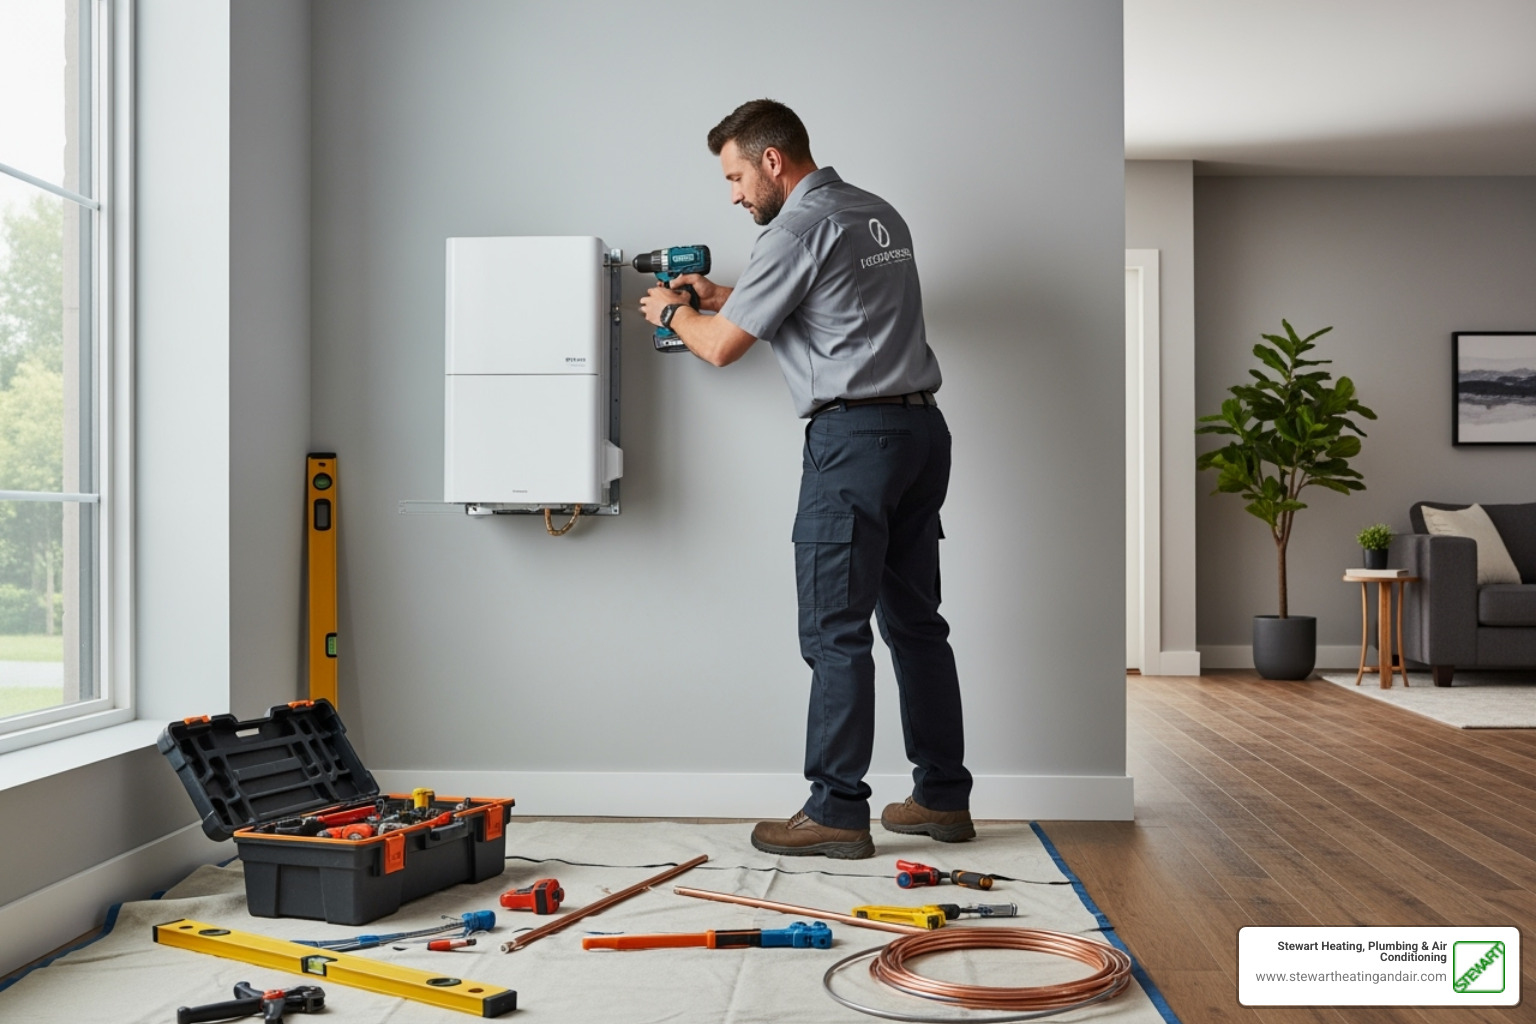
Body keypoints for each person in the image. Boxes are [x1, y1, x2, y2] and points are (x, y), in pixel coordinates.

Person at [638, 99, 973, 859]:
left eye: (734, 177)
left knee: (834, 631)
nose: (732, 195)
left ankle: (835, 810)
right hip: (921, 433)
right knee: (917, 625)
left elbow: (722, 349)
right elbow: (830, 309)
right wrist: (727, 295)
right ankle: (941, 799)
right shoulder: (876, 214)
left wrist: (672, 312)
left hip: (853, 443)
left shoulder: (793, 228)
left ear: (771, 161)